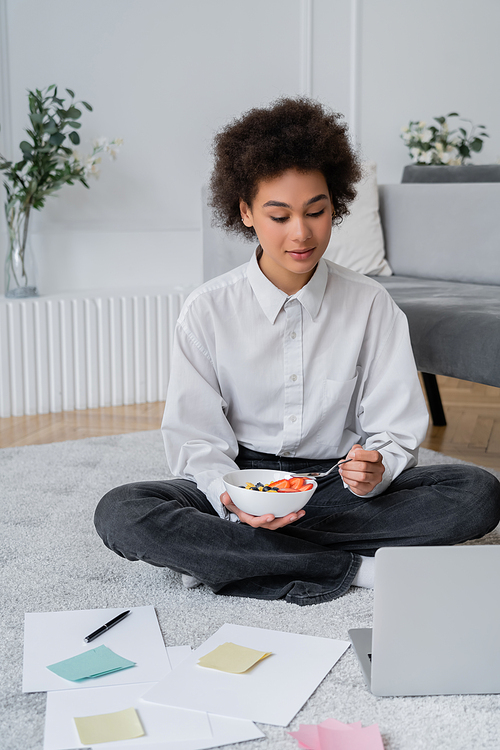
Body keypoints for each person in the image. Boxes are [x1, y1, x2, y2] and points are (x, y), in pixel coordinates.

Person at [94, 97, 500, 606]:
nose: (301, 233)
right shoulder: (207, 310)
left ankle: (225, 557)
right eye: (279, 215)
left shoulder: (372, 305)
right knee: (122, 510)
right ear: (245, 212)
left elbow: (395, 433)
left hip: (334, 488)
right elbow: (196, 439)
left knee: (477, 494)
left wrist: (377, 468)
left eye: (316, 211)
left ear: (336, 206)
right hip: (240, 483)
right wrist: (228, 500)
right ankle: (354, 570)